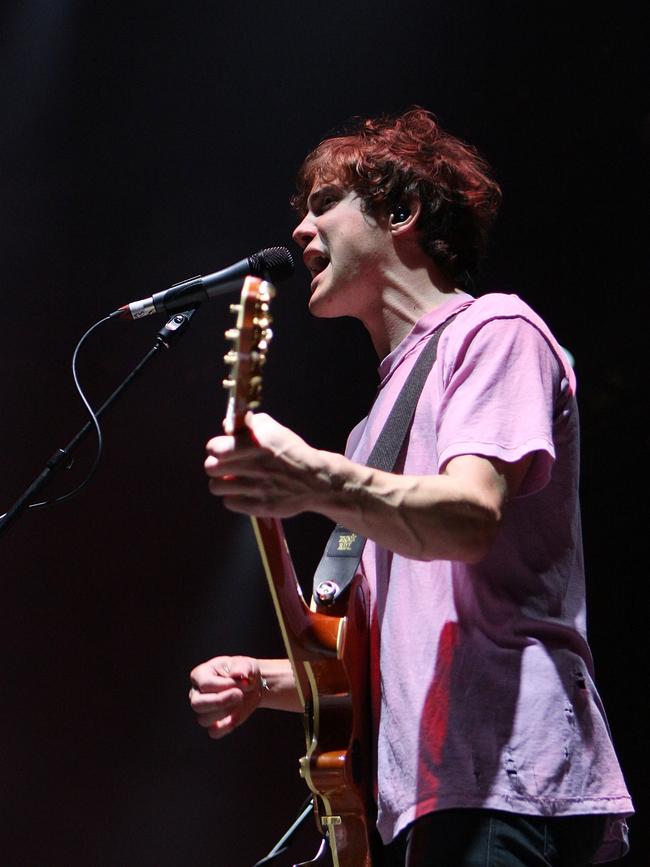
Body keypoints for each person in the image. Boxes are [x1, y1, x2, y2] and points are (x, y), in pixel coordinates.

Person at [189, 108, 633, 866]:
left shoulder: (495, 331)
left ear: (402, 213)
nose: (300, 230)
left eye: (324, 204)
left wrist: (315, 477)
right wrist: (262, 681)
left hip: (508, 773)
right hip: (420, 796)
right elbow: (374, 650)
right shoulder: (372, 432)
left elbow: (469, 516)